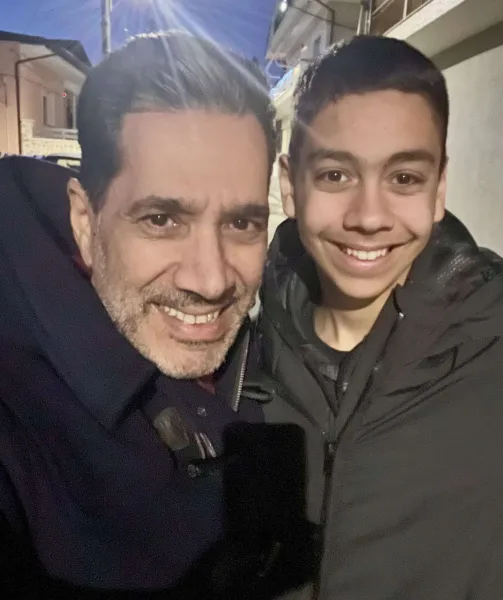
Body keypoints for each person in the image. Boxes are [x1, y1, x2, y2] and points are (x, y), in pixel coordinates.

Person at [256, 35, 503, 599]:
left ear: (439, 188)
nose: (369, 217)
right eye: (336, 175)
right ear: (290, 184)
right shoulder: (242, 365)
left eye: (404, 178)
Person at [0, 31, 288, 597]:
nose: (211, 280)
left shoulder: (276, 348)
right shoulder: (16, 413)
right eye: (161, 220)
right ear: (85, 222)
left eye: (241, 223)